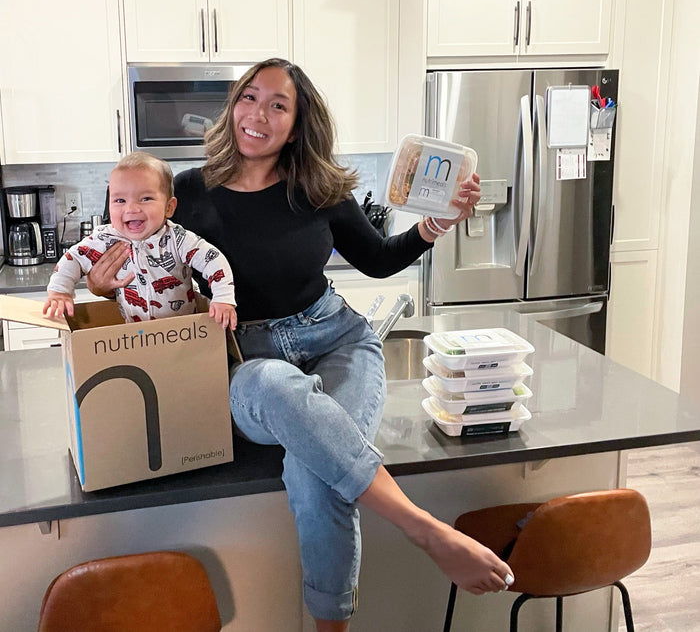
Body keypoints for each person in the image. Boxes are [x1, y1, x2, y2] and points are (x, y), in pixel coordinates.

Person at [85, 59, 513, 631]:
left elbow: (379, 261)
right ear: (233, 104)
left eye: (278, 105)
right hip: (246, 360)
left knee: (317, 475)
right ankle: (424, 528)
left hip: (338, 339)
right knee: (270, 384)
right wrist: (100, 285)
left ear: (296, 123)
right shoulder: (186, 191)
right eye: (249, 97)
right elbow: (148, 276)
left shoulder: (319, 188)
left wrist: (435, 226)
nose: (258, 114)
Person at [43, 152, 237, 329]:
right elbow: (73, 258)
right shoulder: (104, 238)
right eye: (120, 201)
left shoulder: (178, 239)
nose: (131, 209)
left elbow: (213, 260)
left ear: (169, 207)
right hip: (136, 336)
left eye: (145, 199)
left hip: (183, 334)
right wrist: (60, 292)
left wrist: (222, 298)